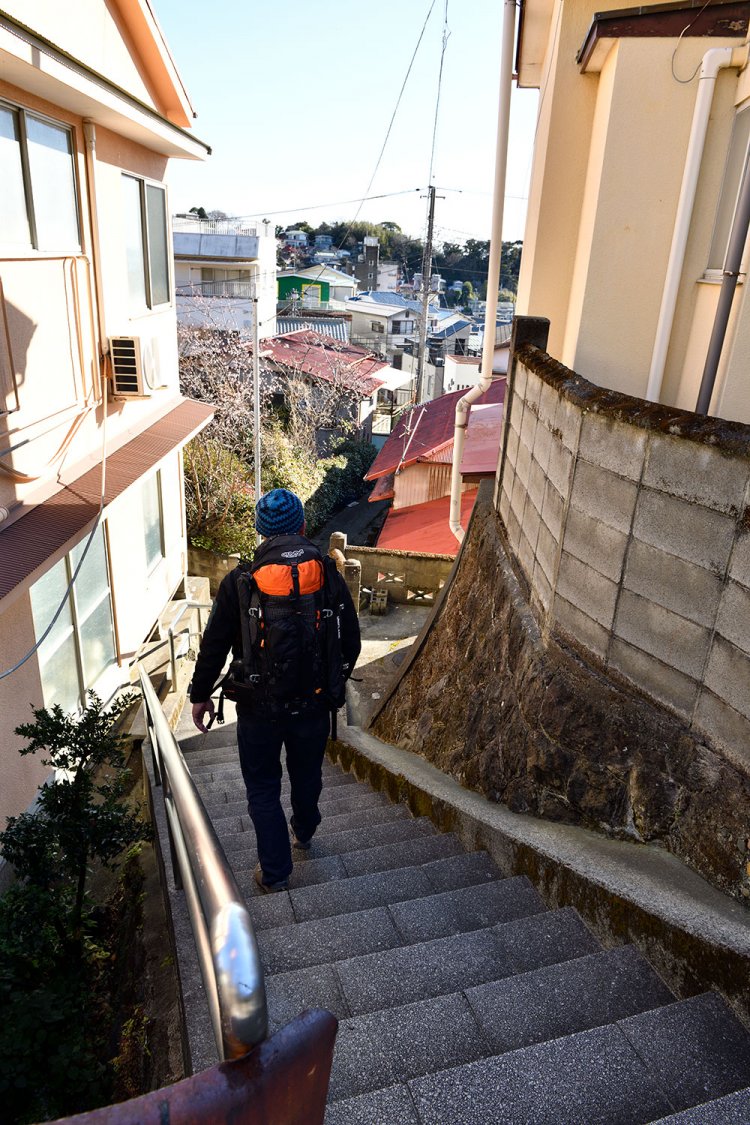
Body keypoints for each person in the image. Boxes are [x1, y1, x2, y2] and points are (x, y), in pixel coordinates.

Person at [190, 488, 361, 893]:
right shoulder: (327, 573)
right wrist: (334, 681)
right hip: (314, 703)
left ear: (260, 531)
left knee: (263, 786)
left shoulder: (240, 581)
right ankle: (305, 830)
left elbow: (214, 644)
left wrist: (200, 695)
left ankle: (275, 872)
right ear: (302, 524)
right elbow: (351, 640)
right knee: (307, 773)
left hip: (258, 706)